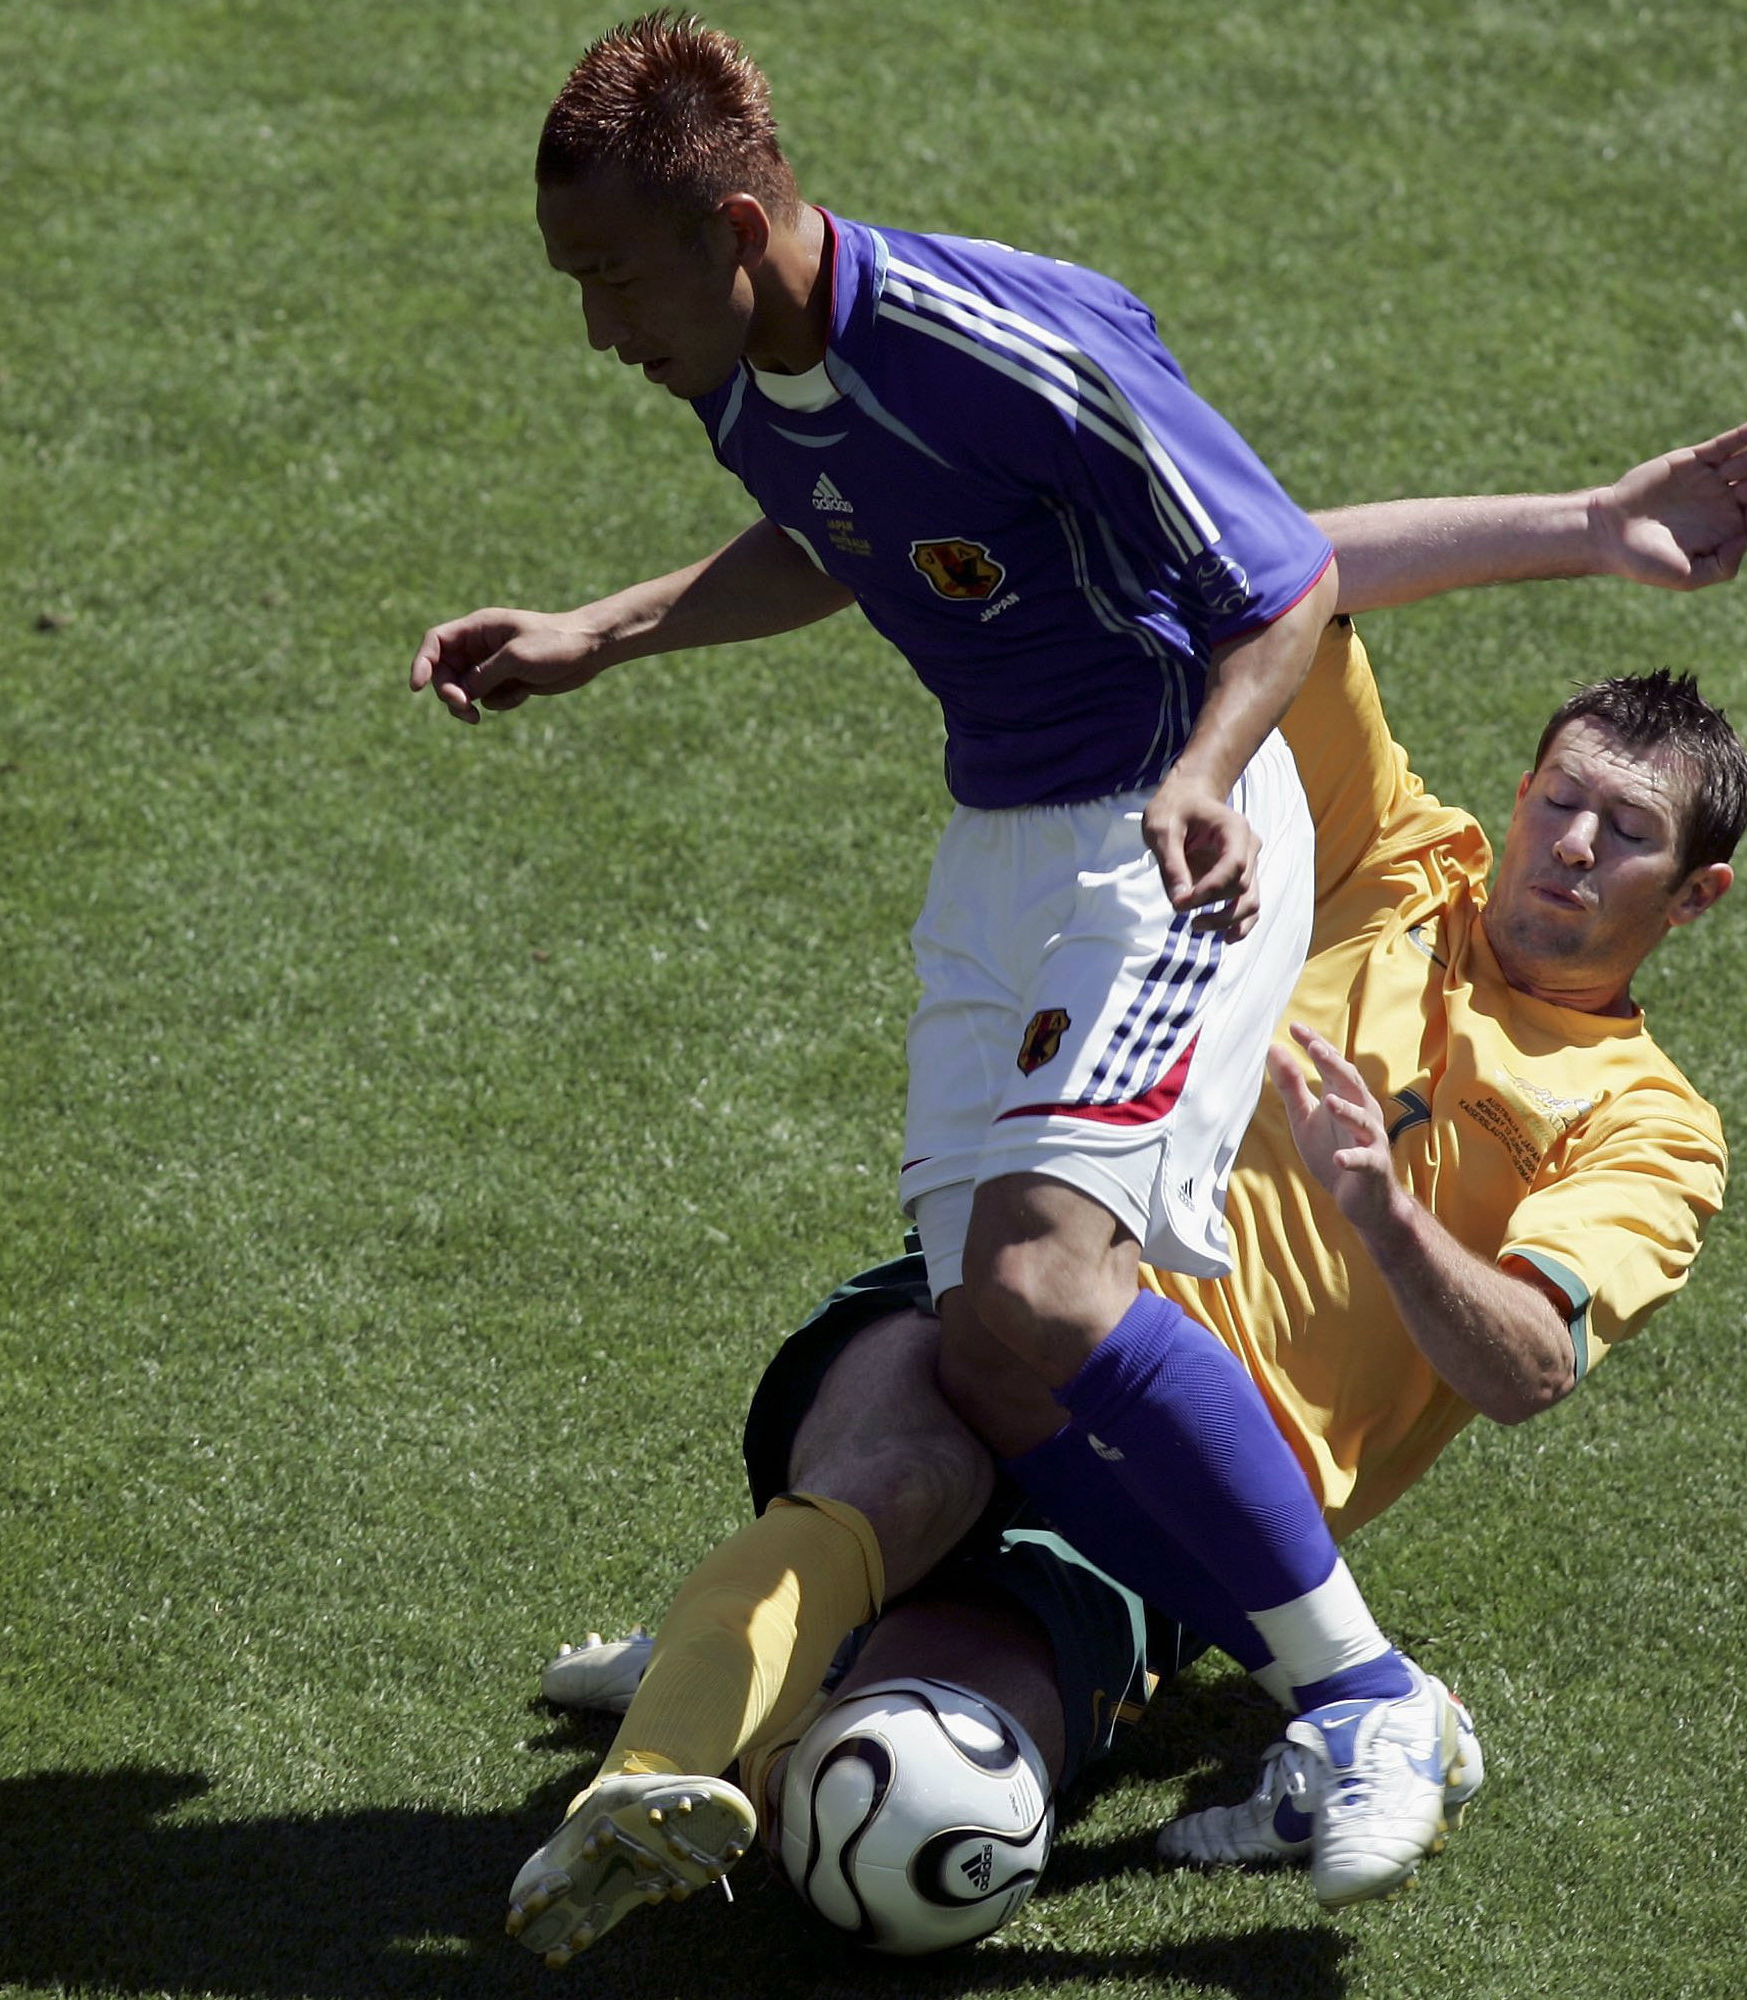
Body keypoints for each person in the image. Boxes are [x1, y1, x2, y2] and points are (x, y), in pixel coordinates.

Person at [502, 418, 1747, 1966]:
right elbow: (1281, 580)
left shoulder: (1653, 1125)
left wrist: (1385, 1215)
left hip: (1173, 1499)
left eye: (1632, 833)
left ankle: (782, 1679)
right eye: (1563, 799)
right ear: (1522, 790)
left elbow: (1526, 1366)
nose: (1575, 845)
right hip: (1035, 1277)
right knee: (887, 1476)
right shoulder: (1389, 865)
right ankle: (696, 1731)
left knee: (900, 1808)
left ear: (1698, 891)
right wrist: (1593, 519)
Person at [416, 11, 1453, 1917]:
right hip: (1000, 856)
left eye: (614, 280)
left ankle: (1369, 1700)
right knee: (984, 1331)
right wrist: (607, 632)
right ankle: (875, 1646)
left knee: (1050, 1293)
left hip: (1170, 831)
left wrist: (1216, 774)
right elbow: (837, 536)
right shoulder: (735, 355)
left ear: (737, 226)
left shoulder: (1001, 343)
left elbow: (1284, 572)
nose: (595, 332)